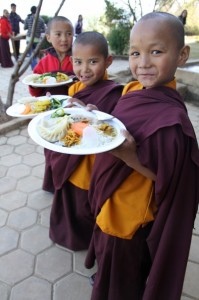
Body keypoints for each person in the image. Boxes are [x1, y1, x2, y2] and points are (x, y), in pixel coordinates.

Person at [85, 12, 199, 300]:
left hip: (130, 214)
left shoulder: (171, 119)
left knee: (121, 269)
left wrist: (130, 157)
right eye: (136, 53)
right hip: (110, 196)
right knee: (105, 251)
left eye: (156, 51)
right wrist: (94, 114)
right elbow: (122, 122)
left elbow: (170, 179)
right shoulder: (136, 88)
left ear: (182, 54)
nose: (143, 63)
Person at [48, 31, 123, 251]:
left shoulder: (115, 93)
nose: (84, 69)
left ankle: (90, 241)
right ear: (72, 61)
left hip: (90, 163)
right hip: (70, 152)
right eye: (79, 62)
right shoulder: (74, 89)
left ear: (108, 61)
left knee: (84, 203)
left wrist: (96, 114)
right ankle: (69, 236)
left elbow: (113, 127)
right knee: (69, 198)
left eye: (93, 61)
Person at [27, 16, 75, 199]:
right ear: (48, 37)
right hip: (50, 112)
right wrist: (38, 89)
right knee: (51, 147)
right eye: (58, 34)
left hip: (71, 109)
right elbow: (34, 84)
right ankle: (52, 182)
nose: (64, 39)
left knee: (69, 143)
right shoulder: (44, 62)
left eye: (69, 34)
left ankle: (69, 185)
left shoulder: (77, 57)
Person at [24, 6, 45, 70]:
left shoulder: (28, 18)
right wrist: (38, 31)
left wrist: (30, 27)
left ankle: (34, 68)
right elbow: (44, 30)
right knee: (35, 54)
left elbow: (25, 27)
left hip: (29, 39)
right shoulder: (41, 19)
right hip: (37, 39)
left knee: (31, 54)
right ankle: (36, 67)